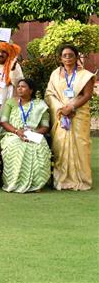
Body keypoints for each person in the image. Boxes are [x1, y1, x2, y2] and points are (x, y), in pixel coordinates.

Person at [44, 44, 95, 191]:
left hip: (78, 114)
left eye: (71, 55)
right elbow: (49, 93)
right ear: (60, 58)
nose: (67, 58)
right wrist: (62, 108)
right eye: (64, 55)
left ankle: (82, 179)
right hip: (60, 115)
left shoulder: (85, 75)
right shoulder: (55, 74)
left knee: (81, 146)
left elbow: (87, 95)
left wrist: (71, 107)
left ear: (76, 57)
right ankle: (63, 179)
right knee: (61, 146)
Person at [0, 78, 51, 193]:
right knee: (17, 148)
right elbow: (4, 122)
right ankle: (14, 182)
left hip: (34, 134)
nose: (20, 89)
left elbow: (45, 126)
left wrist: (32, 134)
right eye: (18, 87)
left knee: (39, 148)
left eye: (23, 86)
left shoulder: (40, 105)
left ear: (31, 90)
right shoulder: (10, 102)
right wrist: (17, 132)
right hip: (13, 134)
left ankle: (37, 183)